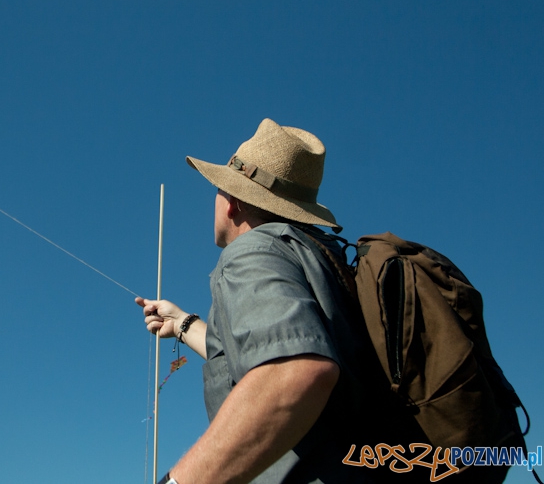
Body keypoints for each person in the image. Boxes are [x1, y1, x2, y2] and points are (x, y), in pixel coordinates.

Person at [138, 119, 388, 484]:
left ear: (233, 202)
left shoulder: (253, 251)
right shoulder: (322, 259)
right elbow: (269, 352)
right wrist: (183, 324)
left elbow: (295, 371)